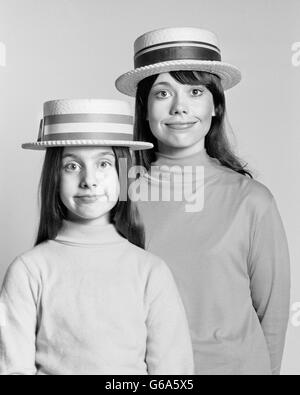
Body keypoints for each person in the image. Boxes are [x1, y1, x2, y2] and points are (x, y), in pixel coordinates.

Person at [115, 27, 291, 375]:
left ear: (216, 107)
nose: (180, 107)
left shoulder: (251, 200)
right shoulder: (115, 192)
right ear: (145, 110)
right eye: (163, 93)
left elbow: (272, 312)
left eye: (195, 91)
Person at [0, 98, 194, 375]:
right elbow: (13, 368)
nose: (89, 180)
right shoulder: (28, 271)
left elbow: (174, 373)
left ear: (123, 174)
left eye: (104, 163)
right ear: (54, 176)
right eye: (72, 166)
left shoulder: (151, 271)